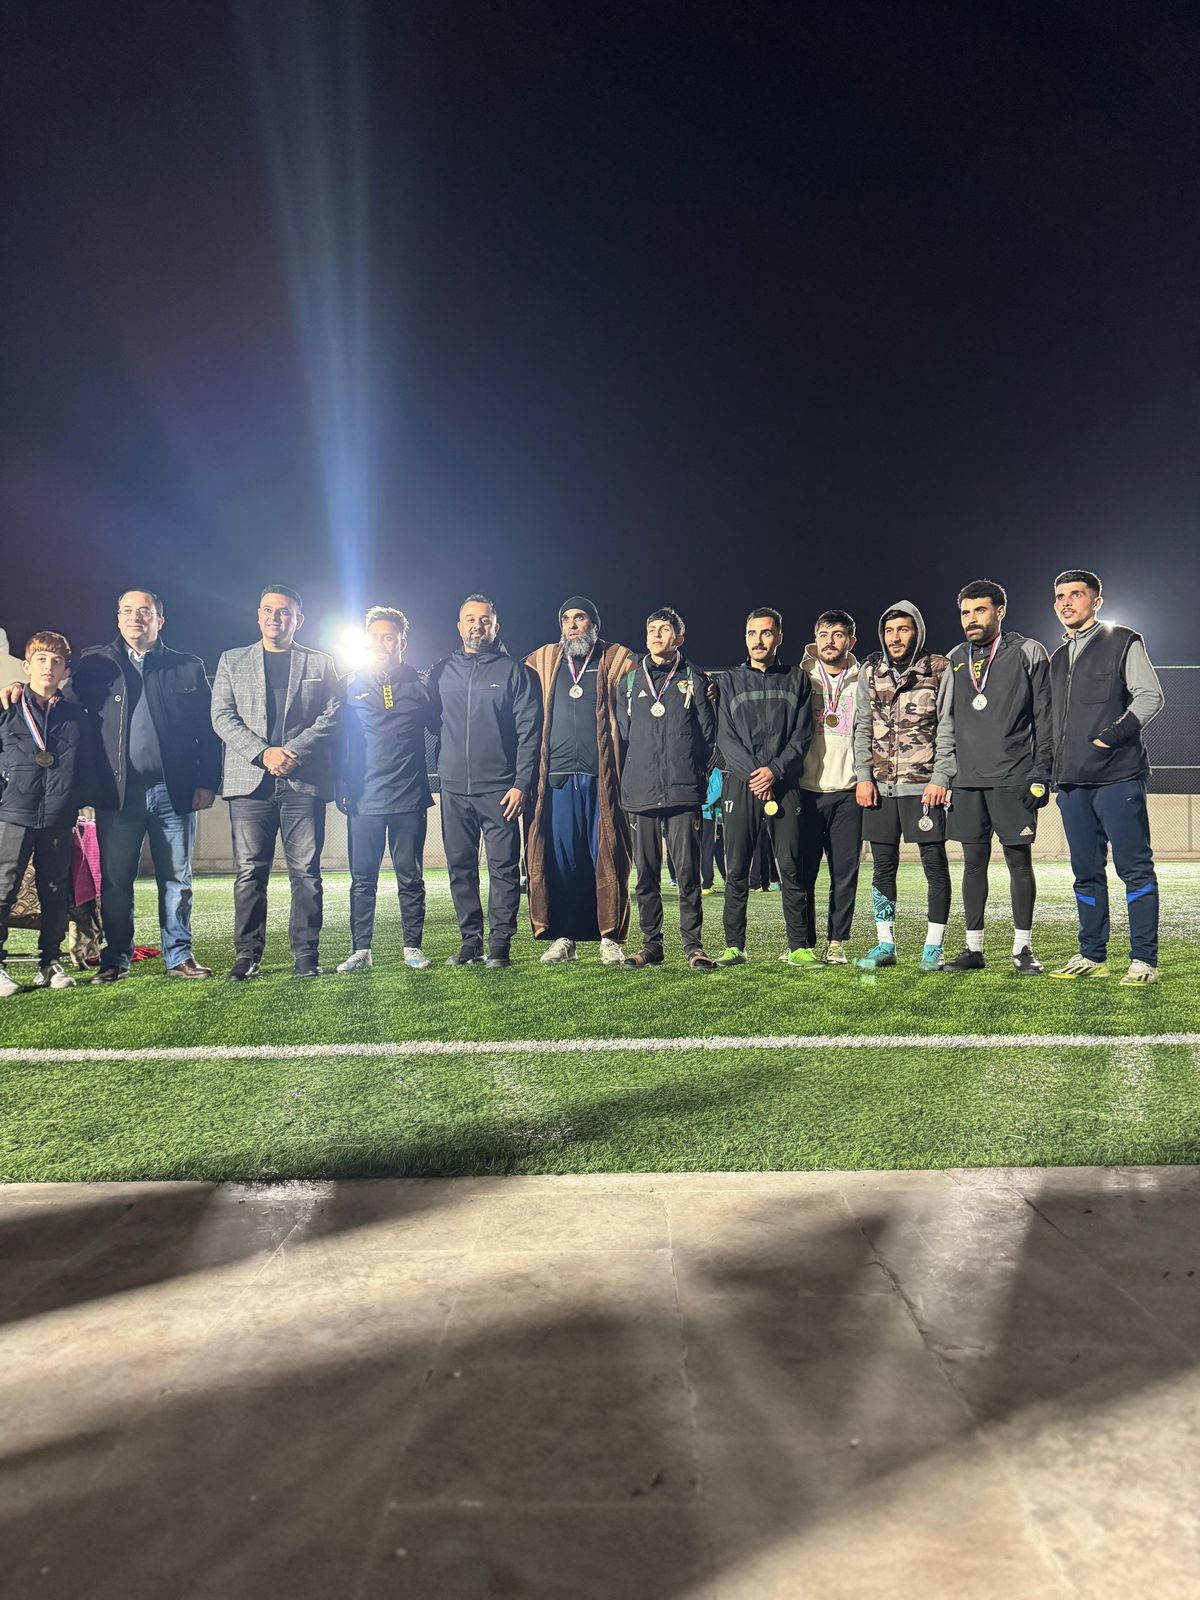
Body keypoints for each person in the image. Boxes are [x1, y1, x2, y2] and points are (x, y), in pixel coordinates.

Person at [1, 589, 222, 982]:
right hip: (117, 795)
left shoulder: (187, 667)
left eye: (144, 611)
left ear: (159, 620)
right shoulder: (94, 664)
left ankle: (179, 956)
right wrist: (20, 691)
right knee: (117, 882)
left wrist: (207, 781)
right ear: (117, 618)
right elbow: (57, 706)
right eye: (127, 610)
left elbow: (207, 731)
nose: (135, 617)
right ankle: (116, 957)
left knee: (177, 879)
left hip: (174, 793)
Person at [210, 586, 341, 979]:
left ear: (298, 619)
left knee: (306, 873)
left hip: (303, 782)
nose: (275, 617)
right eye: (268, 610)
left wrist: (292, 753)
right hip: (250, 783)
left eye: (284, 612)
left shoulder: (320, 662)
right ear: (258, 615)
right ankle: (247, 954)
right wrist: (263, 753)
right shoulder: (232, 660)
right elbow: (222, 716)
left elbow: (333, 714)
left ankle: (306, 955)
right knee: (250, 872)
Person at [1047, 570, 1165, 985]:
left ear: (1096, 601)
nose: (1066, 602)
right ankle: (1092, 954)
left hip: (1118, 776)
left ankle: (1143, 959)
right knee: (1085, 872)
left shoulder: (1123, 640)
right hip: (1072, 782)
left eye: (1076, 594)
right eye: (1060, 596)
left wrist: (1108, 738)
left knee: (1135, 869)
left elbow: (1151, 696)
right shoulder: (1057, 658)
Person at [933, 579, 1051, 975]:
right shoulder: (955, 658)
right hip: (967, 781)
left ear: (1000, 611)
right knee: (973, 863)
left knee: (1018, 861)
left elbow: (1045, 718)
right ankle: (973, 949)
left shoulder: (1027, 651)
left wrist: (1041, 771)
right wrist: (947, 774)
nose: (971, 619)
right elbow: (946, 721)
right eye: (965, 612)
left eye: (979, 610)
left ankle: (1023, 949)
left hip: (1013, 777)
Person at [428, 594, 542, 969]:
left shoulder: (515, 673)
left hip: (500, 790)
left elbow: (530, 734)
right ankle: (470, 942)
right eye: (470, 619)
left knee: (503, 870)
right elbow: (431, 722)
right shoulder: (441, 672)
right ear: (459, 626)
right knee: (460, 868)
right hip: (453, 790)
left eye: (485, 620)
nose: (477, 626)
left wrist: (521, 783)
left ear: (496, 626)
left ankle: (499, 945)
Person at [524, 598, 636, 965]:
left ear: (594, 624)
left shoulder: (615, 659)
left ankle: (610, 937)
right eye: (566, 619)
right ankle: (565, 937)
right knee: (563, 861)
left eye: (580, 618)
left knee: (607, 855)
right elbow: (512, 684)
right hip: (556, 778)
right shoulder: (544, 661)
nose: (572, 625)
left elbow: (649, 681)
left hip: (601, 777)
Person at [852, 600, 952, 971]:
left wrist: (941, 777)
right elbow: (862, 727)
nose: (895, 637)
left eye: (903, 630)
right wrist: (864, 776)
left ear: (917, 633)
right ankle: (885, 945)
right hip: (879, 788)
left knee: (934, 866)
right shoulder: (870, 671)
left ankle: (933, 948)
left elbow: (948, 726)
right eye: (889, 630)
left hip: (924, 787)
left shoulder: (939, 668)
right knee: (882, 867)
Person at [711, 608, 814, 966]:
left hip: (785, 784)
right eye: (752, 633)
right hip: (742, 784)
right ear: (745, 637)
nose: (758, 640)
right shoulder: (728, 681)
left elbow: (802, 735)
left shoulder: (797, 679)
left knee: (791, 867)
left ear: (779, 637)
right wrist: (757, 775)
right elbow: (725, 738)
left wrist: (775, 771)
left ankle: (799, 947)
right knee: (737, 869)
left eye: (766, 633)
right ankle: (734, 946)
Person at [616, 606, 717, 970]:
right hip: (641, 790)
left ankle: (693, 946)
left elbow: (708, 735)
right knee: (645, 874)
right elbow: (624, 734)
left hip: (682, 791)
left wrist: (689, 769)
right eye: (652, 629)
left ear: (679, 638)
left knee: (687, 873)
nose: (657, 634)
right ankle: (651, 945)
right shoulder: (629, 683)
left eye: (664, 629)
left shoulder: (695, 678)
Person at [336, 606, 435, 973]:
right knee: (363, 880)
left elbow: (443, 729)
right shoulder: (348, 684)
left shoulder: (422, 683)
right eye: (375, 637)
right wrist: (342, 784)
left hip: (409, 797)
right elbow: (337, 739)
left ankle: (412, 947)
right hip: (364, 798)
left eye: (389, 637)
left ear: (402, 642)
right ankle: (361, 950)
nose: (381, 643)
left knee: (411, 877)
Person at [0, 632, 96, 995]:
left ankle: (49, 963)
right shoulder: (6, 707)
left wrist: (74, 801)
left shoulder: (76, 717)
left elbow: (86, 765)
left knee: (55, 891)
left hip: (58, 815)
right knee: (3, 888)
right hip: (13, 813)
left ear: (66, 671)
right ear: (26, 666)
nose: (48, 667)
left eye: (56, 661)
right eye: (41, 659)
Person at [797, 609, 862, 964]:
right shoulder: (801, 677)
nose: (830, 641)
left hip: (849, 792)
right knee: (803, 872)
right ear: (815, 639)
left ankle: (837, 942)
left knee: (844, 873)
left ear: (851, 640)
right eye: (823, 634)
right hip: (807, 790)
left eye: (838, 635)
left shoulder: (863, 679)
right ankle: (803, 942)